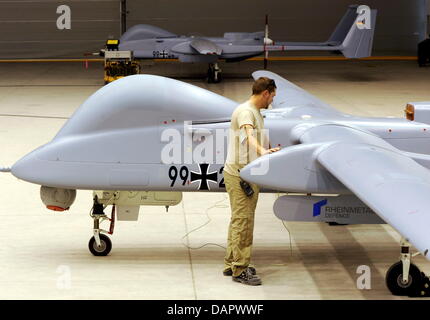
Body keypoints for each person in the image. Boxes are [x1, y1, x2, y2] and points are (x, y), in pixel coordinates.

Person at [223, 77, 280, 285]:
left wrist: (269, 149)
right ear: (265, 93)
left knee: (239, 220)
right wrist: (263, 151)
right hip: (240, 176)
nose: (271, 101)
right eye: (272, 96)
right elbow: (248, 134)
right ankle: (240, 270)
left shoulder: (253, 111)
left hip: (241, 173)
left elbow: (256, 135)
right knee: (244, 222)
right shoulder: (247, 112)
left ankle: (232, 263)